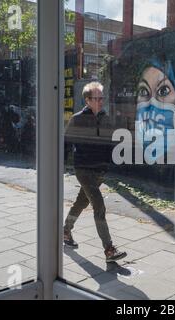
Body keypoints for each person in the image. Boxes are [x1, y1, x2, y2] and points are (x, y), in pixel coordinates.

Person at [63, 81, 127, 263]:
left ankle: (65, 231)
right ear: (87, 100)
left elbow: (110, 144)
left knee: (81, 202)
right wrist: (61, 165)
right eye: (96, 99)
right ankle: (109, 249)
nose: (100, 102)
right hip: (83, 169)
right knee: (99, 206)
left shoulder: (106, 118)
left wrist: (108, 163)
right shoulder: (77, 119)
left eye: (101, 98)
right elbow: (65, 143)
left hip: (99, 171)